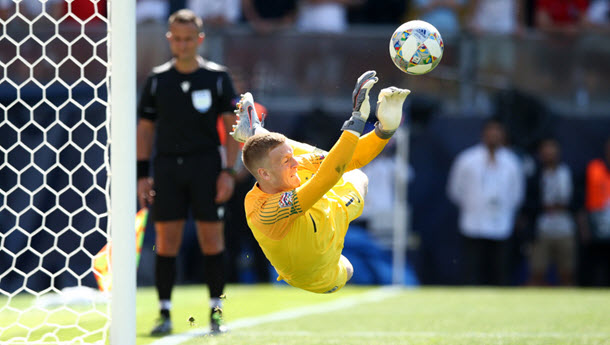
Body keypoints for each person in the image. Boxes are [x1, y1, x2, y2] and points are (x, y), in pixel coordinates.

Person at [229, 71, 410, 293]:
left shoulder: (291, 167)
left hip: (329, 215)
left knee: (347, 170)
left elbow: (347, 159)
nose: (295, 162)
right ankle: (255, 133)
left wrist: (384, 130)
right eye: (287, 160)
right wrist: (357, 121)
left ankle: (256, 133)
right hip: (313, 275)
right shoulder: (265, 210)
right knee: (346, 174)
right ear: (264, 175)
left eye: (291, 156)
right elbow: (328, 175)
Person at [136, 9, 239, 335]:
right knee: (166, 241)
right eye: (177, 39)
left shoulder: (217, 77)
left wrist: (229, 171)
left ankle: (216, 313)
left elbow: (231, 127)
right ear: (170, 39)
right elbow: (145, 129)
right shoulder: (157, 80)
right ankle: (164, 313)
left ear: (200, 40)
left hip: (207, 165)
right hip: (167, 167)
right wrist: (142, 173)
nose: (182, 45)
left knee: (213, 239)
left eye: (188, 39)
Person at [447, 118, 525, 285]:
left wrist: (505, 210)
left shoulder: (512, 162)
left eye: (498, 132)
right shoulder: (467, 159)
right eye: (491, 132)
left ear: (503, 136)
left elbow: (517, 193)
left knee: (500, 271)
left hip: (502, 224)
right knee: (471, 271)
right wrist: (472, 206)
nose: (494, 136)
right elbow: (455, 190)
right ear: (483, 134)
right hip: (473, 223)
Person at [527, 138, 576, 286]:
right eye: (545, 149)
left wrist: (564, 206)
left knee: (567, 272)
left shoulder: (569, 172)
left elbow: (579, 201)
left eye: (552, 148)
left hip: (565, 229)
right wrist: (543, 207)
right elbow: (528, 203)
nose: (549, 152)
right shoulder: (534, 175)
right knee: (537, 272)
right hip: (542, 229)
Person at [578, 137, 610, 286]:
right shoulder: (593, 168)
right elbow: (581, 201)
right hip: (596, 226)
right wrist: (584, 227)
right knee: (596, 267)